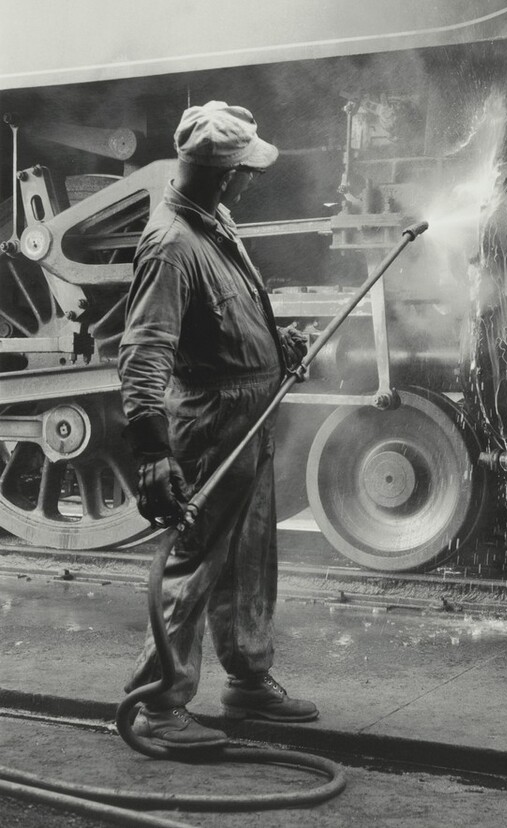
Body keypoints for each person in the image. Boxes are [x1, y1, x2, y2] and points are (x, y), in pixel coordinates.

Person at [118, 100, 317, 749]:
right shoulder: (171, 244)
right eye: (244, 170)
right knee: (194, 564)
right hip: (209, 425)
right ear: (223, 174)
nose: (250, 179)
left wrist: (275, 345)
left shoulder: (214, 221)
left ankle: (247, 681)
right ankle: (159, 706)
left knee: (248, 556)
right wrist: (152, 451)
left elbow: (230, 313)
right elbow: (145, 355)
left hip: (248, 416)